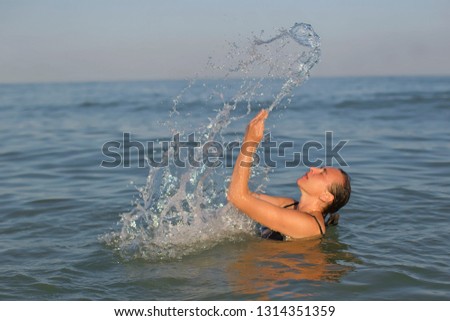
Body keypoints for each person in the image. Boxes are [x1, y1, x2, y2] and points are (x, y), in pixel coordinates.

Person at [227, 109, 351, 240]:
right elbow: (243, 195)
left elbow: (237, 197)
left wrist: (250, 142)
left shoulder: (309, 225)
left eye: (322, 173)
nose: (313, 168)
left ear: (326, 196)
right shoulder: (290, 205)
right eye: (320, 168)